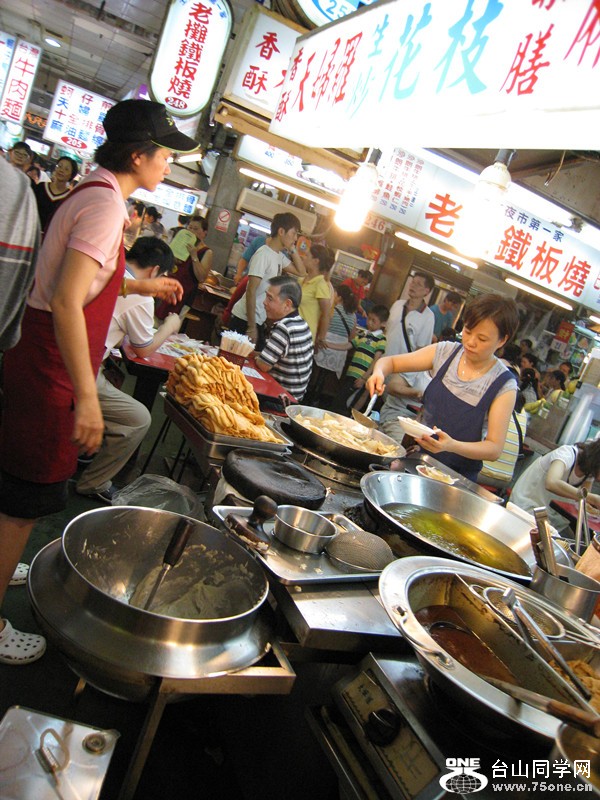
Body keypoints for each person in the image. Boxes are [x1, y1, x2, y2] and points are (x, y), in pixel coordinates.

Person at [0, 98, 198, 665]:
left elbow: (82, 281)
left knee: (14, 492)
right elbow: (66, 300)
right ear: (138, 156)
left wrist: (139, 287)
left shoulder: (96, 192)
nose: (169, 164)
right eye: (165, 154)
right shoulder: (107, 207)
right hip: (51, 367)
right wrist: (88, 398)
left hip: (43, 361)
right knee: (19, 500)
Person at [368, 294, 519, 482]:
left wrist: (451, 445)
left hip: (455, 480)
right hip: (415, 462)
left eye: (482, 339)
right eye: (467, 331)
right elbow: (390, 362)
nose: (470, 342)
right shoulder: (445, 352)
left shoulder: (504, 385)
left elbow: (494, 448)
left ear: (502, 340)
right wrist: (379, 373)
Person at [76, 237, 182, 502]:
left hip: (76, 357)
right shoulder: (140, 295)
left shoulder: (112, 271)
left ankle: (84, 450)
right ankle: (94, 482)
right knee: (138, 418)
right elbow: (143, 349)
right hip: (81, 368)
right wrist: (169, 327)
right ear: (155, 272)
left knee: (116, 383)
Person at [230, 212, 301, 350]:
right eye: (294, 233)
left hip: (257, 320)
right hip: (244, 320)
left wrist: (292, 249)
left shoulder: (278, 256)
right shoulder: (263, 254)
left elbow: (301, 271)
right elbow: (251, 291)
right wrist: (251, 327)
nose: (296, 238)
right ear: (281, 231)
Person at [510, 439, 600, 532]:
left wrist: (592, 502)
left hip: (552, 519)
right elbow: (551, 483)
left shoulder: (589, 472)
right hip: (527, 507)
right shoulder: (566, 453)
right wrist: (593, 499)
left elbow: (583, 501)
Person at [255, 275, 314, 401]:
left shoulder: (284, 327)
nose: (264, 302)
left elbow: (264, 365)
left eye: (270, 298)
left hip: (280, 399)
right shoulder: (301, 323)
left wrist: (255, 357)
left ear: (287, 304)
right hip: (295, 398)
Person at [307, 284, 358, 404]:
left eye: (334, 293)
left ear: (339, 297)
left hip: (324, 346)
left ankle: (309, 396)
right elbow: (352, 337)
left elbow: (322, 327)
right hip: (339, 352)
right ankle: (317, 398)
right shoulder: (353, 316)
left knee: (315, 373)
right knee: (325, 377)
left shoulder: (331, 310)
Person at [156, 215, 213, 317]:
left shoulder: (206, 252)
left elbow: (201, 277)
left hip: (184, 293)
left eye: (196, 229)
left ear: (205, 233)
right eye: (190, 227)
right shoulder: (181, 245)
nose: (191, 231)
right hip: (168, 287)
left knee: (171, 322)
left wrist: (194, 256)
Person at [339, 305, 389, 412]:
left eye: (373, 320)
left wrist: (364, 378)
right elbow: (348, 345)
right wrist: (328, 345)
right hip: (351, 373)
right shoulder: (364, 334)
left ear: (383, 323)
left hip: (360, 377)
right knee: (340, 400)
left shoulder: (381, 339)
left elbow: (376, 360)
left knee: (347, 405)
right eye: (369, 318)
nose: (369, 322)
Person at [385, 271, 435, 357]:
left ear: (427, 291)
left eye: (418, 284)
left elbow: (421, 349)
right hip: (383, 359)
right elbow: (386, 330)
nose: (413, 286)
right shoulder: (397, 304)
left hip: (401, 364)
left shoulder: (428, 317)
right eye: (412, 282)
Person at [32, 156, 79, 232]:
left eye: (66, 169)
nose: (61, 170)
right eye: (59, 166)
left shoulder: (70, 198)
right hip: (32, 231)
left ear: (71, 175)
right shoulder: (41, 187)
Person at [298, 244, 334, 343]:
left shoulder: (320, 284)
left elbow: (326, 314)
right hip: (290, 329)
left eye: (307, 255)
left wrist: (321, 337)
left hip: (304, 335)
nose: (303, 257)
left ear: (316, 261)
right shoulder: (300, 280)